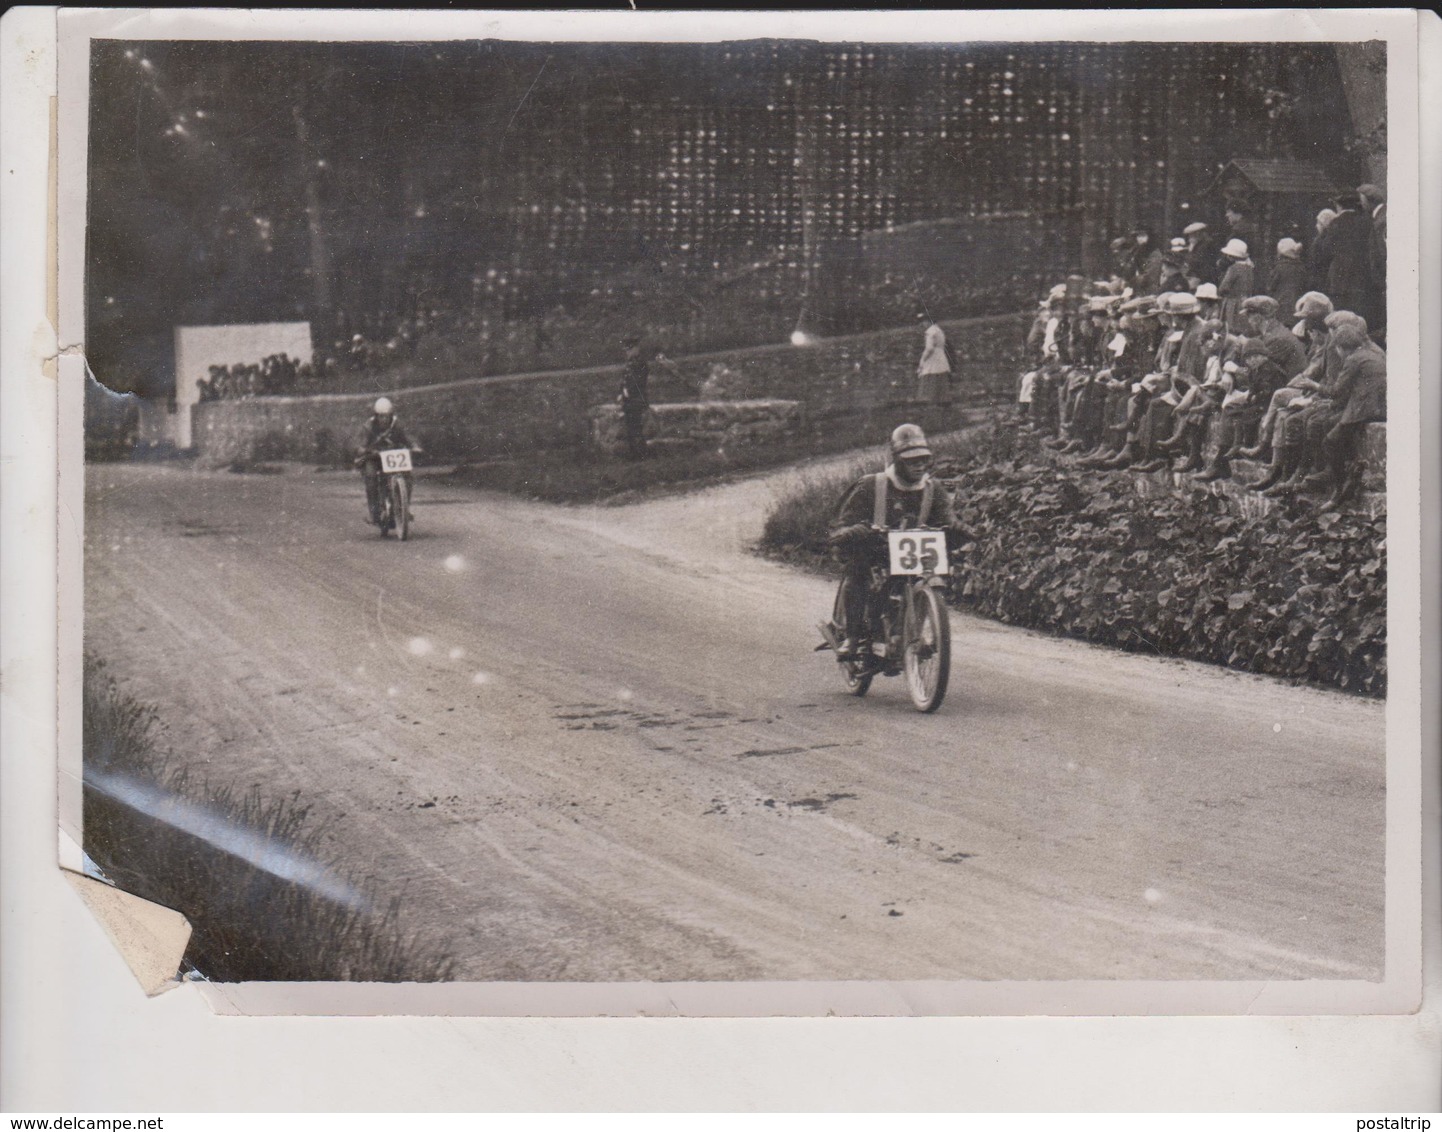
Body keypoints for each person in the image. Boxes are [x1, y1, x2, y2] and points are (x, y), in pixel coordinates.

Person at [827, 424, 965, 661]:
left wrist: (960, 528)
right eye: (912, 461)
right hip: (875, 551)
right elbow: (841, 523)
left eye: (923, 460)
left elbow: (946, 518)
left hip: (910, 554)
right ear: (898, 461)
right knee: (858, 571)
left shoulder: (933, 488)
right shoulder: (872, 484)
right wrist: (854, 530)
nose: (919, 466)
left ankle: (905, 632)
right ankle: (852, 635)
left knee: (932, 574)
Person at [355, 396, 417, 526]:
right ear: (376, 416)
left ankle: (404, 508)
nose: (384, 419)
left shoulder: (397, 425)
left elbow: (408, 436)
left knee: (408, 477)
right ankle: (374, 513)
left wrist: (415, 446)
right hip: (374, 458)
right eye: (381, 416)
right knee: (371, 477)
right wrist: (363, 449)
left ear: (391, 415)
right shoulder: (369, 426)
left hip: (392, 455)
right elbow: (361, 443)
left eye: (387, 416)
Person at [618, 334, 651, 460]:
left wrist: (627, 391)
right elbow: (624, 381)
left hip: (637, 399)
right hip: (629, 401)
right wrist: (621, 393)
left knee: (637, 428)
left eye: (630, 349)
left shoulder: (641, 363)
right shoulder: (630, 363)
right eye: (627, 350)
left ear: (636, 348)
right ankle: (634, 454)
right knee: (630, 428)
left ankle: (641, 455)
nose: (628, 352)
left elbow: (639, 382)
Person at [1216, 239, 1255, 334]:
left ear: (1231, 256)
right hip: (1245, 301)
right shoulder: (1249, 268)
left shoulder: (1233, 268)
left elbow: (1223, 287)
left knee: (1229, 327)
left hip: (1232, 303)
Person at [915, 311, 952, 404]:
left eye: (923, 322)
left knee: (931, 376)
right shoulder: (938, 330)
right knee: (939, 376)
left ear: (928, 321)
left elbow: (929, 348)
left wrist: (923, 359)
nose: (922, 324)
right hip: (940, 356)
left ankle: (931, 400)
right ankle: (941, 399)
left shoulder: (930, 332)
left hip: (933, 357)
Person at [1269, 238, 1307, 319]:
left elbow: (1271, 286)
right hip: (1297, 302)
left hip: (1281, 302)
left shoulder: (1279, 267)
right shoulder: (1301, 267)